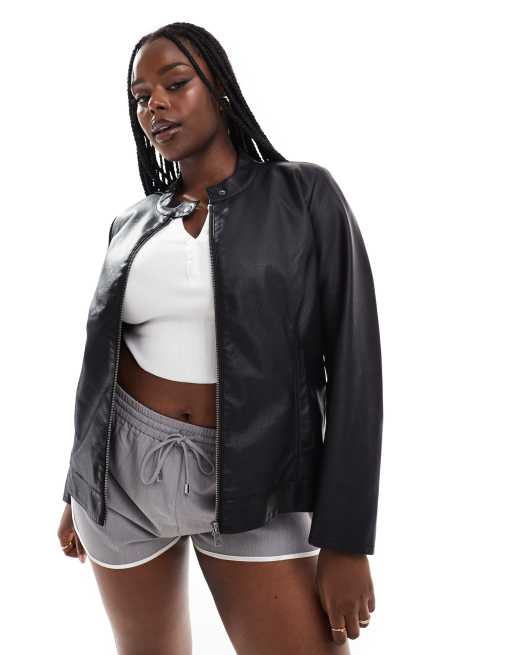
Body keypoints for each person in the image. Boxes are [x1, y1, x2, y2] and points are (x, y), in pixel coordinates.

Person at [57, 21, 383, 654]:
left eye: (175, 83)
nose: (154, 105)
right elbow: (101, 365)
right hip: (119, 477)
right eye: (141, 97)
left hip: (259, 475)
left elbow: (355, 365)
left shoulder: (304, 195)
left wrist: (346, 538)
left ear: (220, 87)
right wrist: (78, 484)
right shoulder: (132, 222)